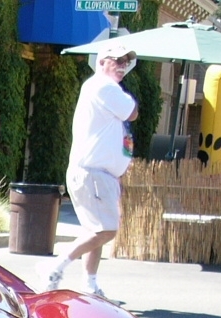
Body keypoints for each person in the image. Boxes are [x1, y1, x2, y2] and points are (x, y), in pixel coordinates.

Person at [43, 41, 138, 300]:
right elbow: (133, 113)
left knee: (94, 230)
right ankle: (57, 266)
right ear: (102, 62)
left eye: (125, 62)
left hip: (96, 173)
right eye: (117, 61)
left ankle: (90, 284)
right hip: (94, 173)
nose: (122, 67)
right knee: (106, 230)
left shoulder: (101, 87)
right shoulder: (104, 86)